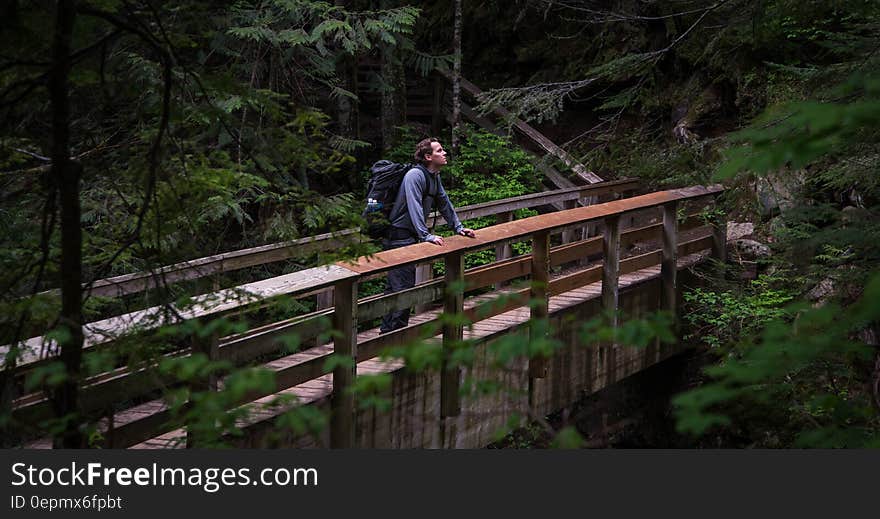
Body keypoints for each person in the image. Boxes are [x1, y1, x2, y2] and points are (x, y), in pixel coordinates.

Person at [379, 137, 476, 334]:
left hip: (408, 237)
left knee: (398, 287)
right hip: (398, 237)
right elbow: (414, 206)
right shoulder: (415, 175)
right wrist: (425, 235)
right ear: (428, 156)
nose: (445, 153)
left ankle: (388, 335)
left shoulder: (434, 176)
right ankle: (393, 337)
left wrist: (458, 227)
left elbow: (444, 203)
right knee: (403, 289)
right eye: (440, 151)